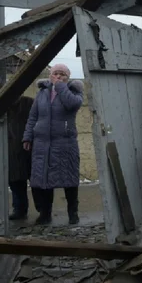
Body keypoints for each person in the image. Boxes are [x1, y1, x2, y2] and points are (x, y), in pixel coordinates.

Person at [23, 63, 84, 224]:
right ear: (50, 75)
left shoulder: (73, 91)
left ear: (68, 77)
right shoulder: (42, 93)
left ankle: (73, 213)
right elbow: (33, 117)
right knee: (44, 181)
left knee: (69, 180)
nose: (58, 76)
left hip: (65, 144)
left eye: (62, 74)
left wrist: (61, 87)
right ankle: (45, 214)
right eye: (55, 73)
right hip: (42, 145)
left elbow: (72, 104)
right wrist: (27, 137)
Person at [8, 96, 34, 221]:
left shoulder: (28, 102)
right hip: (12, 148)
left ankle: (43, 210)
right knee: (15, 181)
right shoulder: (3, 105)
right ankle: (19, 209)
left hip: (30, 147)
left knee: (35, 181)